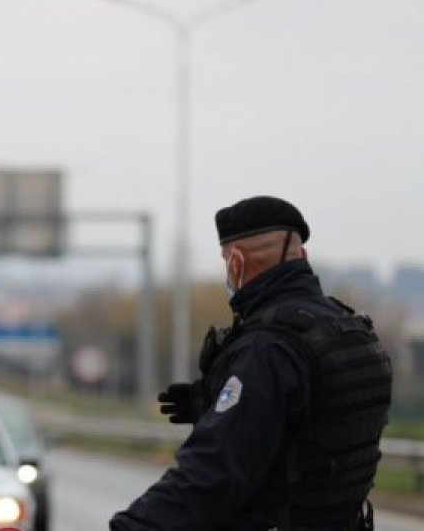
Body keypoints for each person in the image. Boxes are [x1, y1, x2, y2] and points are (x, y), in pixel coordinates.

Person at [109, 196, 392, 531]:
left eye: (225, 260)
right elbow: (313, 420)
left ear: (236, 263)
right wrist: (216, 403)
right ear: (302, 257)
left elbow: (212, 473)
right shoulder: (349, 331)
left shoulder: (268, 347)